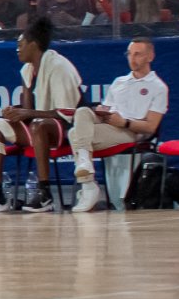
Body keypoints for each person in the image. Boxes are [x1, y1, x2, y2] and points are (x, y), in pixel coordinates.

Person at [0, 18, 83, 212]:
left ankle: (45, 194)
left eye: (21, 45)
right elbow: (28, 111)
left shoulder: (59, 66)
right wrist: (15, 113)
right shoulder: (27, 69)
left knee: (39, 124)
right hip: (38, 126)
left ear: (34, 45)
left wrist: (27, 112)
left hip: (68, 128)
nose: (17, 49)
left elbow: (67, 113)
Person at [69, 36, 169, 212]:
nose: (132, 58)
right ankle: (86, 172)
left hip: (131, 132)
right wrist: (101, 112)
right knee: (82, 112)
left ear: (150, 57)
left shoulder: (158, 87)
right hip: (109, 124)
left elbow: (151, 127)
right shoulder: (118, 82)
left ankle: (88, 185)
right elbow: (106, 108)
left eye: (138, 54)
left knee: (73, 134)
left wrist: (124, 122)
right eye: (130, 54)